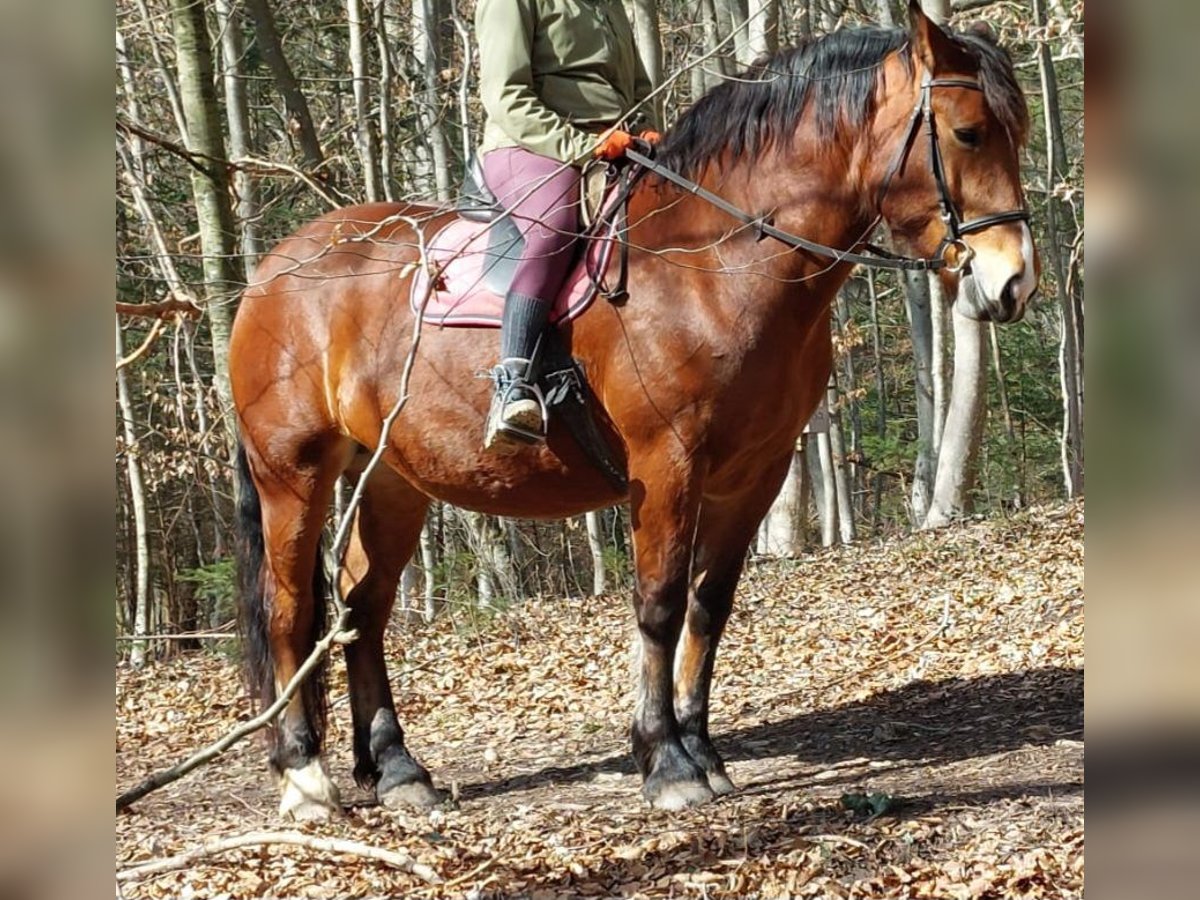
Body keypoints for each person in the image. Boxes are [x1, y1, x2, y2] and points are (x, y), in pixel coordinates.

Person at [474, 0, 660, 449]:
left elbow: (638, 88)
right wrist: (583, 145)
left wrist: (649, 130)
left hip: (616, 145)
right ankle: (514, 382)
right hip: (531, 145)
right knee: (555, 226)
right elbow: (506, 97)